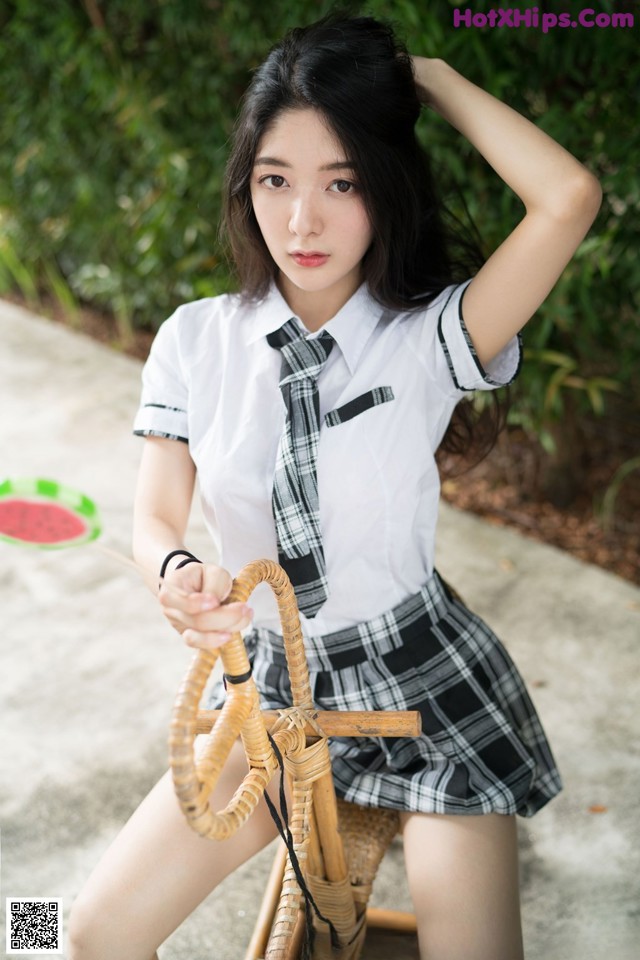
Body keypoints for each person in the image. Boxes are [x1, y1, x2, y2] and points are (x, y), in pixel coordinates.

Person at [69, 14, 601, 960]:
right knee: (85, 933)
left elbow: (567, 197)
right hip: (272, 692)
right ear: (247, 185)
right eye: (276, 180)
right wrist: (179, 570)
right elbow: (153, 515)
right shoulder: (196, 339)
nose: (302, 221)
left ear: (385, 189)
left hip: (423, 692)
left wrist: (426, 78)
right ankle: (7, 932)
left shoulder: (437, 337)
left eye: (342, 182)